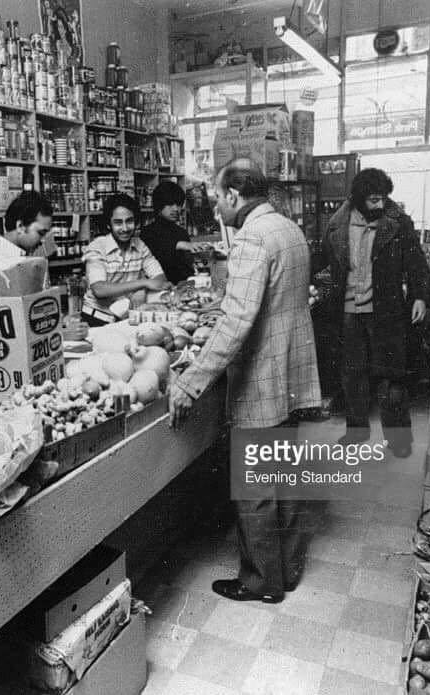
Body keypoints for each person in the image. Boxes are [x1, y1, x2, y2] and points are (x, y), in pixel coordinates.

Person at [168, 159, 321, 604]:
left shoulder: (252, 238)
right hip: (292, 373)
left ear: (234, 195)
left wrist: (191, 382)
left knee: (255, 487)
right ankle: (286, 571)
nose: (216, 206)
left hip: (262, 377)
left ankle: (260, 581)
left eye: (218, 197)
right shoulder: (288, 228)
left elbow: (237, 322)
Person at [315, 168, 429, 458]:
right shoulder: (338, 224)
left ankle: (399, 440)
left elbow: (416, 261)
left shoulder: (398, 223)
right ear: (359, 198)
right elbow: (322, 258)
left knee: (391, 378)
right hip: (348, 311)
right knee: (352, 375)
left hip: (386, 312)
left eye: (383, 198)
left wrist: (419, 296)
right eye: (373, 199)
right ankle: (357, 431)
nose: (379, 204)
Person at [81, 193, 171, 326]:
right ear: (108, 224)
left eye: (129, 221)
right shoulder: (97, 247)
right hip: (96, 319)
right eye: (118, 222)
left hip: (125, 319)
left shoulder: (140, 245)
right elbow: (99, 289)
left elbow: (160, 280)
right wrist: (143, 283)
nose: (125, 228)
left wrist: (142, 290)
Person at [140, 181, 205, 285]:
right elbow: (158, 251)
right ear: (159, 205)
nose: (175, 209)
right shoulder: (147, 233)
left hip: (184, 287)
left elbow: (188, 266)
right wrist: (179, 245)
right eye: (170, 204)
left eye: (178, 204)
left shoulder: (182, 232)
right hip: (159, 288)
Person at [0, 190, 55, 258]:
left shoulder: (19, 256)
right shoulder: (3, 261)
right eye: (41, 233)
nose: (43, 240)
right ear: (20, 226)